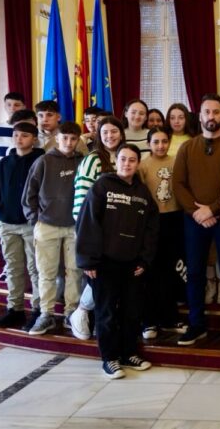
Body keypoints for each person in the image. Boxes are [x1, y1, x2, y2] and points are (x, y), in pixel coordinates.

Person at [76, 144, 159, 379]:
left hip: (132, 265)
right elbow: (87, 222)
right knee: (107, 314)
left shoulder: (143, 193)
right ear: (116, 161)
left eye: (132, 160)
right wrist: (88, 261)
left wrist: (145, 260)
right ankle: (110, 358)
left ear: (138, 164)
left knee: (132, 312)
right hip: (104, 264)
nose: (127, 164)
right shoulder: (102, 186)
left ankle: (129, 354)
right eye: (123, 159)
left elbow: (151, 229)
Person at [174, 93, 220, 346]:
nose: (211, 116)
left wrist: (213, 210)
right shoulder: (187, 148)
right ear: (200, 116)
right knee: (194, 272)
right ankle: (196, 325)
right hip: (194, 221)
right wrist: (197, 213)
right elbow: (178, 184)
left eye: (216, 112)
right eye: (207, 112)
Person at [22, 122, 85, 335]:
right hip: (47, 225)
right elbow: (29, 194)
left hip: (74, 226)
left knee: (74, 271)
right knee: (47, 272)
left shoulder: (82, 162)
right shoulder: (43, 161)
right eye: (64, 137)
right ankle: (46, 314)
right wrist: (35, 220)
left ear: (78, 140)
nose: (69, 142)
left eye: (73, 138)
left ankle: (71, 312)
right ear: (57, 138)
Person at [68, 116, 126, 340]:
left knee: (112, 279)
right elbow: (81, 200)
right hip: (96, 230)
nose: (110, 136)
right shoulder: (93, 160)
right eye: (105, 133)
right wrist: (87, 233)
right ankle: (82, 314)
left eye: (114, 131)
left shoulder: (124, 157)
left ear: (121, 133)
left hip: (119, 232)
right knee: (98, 278)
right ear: (99, 136)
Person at [0, 122, 45, 329]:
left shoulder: (41, 161)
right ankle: (15, 309)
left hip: (31, 223)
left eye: (24, 135)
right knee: (13, 267)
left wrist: (37, 215)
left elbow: (45, 191)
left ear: (34, 139)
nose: (19, 139)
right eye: (16, 135)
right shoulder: (4, 162)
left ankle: (38, 310)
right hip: (7, 222)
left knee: (35, 268)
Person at [138, 126, 188, 339]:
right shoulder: (142, 166)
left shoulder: (177, 161)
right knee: (151, 272)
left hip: (174, 219)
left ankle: (169, 318)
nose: (160, 146)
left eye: (164, 141)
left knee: (170, 272)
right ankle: (148, 321)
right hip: (152, 222)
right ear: (148, 143)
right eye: (156, 142)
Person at [0, 92, 27, 184]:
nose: (12, 108)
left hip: (23, 175)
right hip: (0, 175)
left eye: (17, 105)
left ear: (24, 107)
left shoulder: (30, 129)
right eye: (9, 105)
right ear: (4, 106)